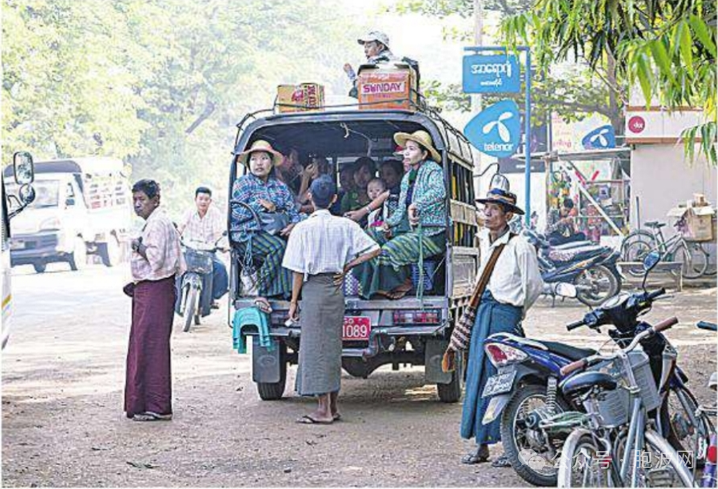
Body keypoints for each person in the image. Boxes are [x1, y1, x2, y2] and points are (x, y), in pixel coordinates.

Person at [453, 186, 543, 466]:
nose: (488, 213)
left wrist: (517, 313)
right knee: (480, 377)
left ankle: (510, 447)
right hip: (484, 315)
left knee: (505, 380)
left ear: (507, 216)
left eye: (495, 209)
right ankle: (482, 445)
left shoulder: (520, 245)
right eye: (486, 208)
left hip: (504, 316)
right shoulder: (486, 242)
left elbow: (533, 285)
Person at [282, 176, 380, 424]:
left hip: (313, 289)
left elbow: (297, 271)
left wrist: (294, 302)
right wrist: (348, 266)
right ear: (335, 199)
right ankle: (332, 407)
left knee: (316, 349)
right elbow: (374, 249)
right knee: (333, 348)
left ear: (311, 198)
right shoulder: (345, 226)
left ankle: (323, 410)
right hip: (336, 289)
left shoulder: (302, 228)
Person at [353, 130, 447, 300]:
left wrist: (416, 205)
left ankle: (402, 283)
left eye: (412, 149)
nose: (407, 152)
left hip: (430, 234)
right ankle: (373, 287)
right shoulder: (407, 177)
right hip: (410, 232)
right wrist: (387, 224)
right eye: (406, 149)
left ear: (424, 154)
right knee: (367, 240)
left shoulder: (433, 170)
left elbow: (439, 191)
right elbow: (401, 210)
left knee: (386, 251)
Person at [125, 179, 185, 422]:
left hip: (156, 289)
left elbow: (156, 258)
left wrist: (137, 247)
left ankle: (156, 406)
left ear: (155, 200)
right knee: (145, 344)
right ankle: (146, 404)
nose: (138, 205)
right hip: (149, 290)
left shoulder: (158, 223)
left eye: (142, 200)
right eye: (135, 200)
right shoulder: (155, 222)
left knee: (151, 347)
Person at [230, 140, 302, 299]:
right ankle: (258, 290)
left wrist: (294, 225)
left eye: (264, 158)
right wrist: (259, 205)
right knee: (277, 248)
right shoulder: (242, 184)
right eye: (254, 159)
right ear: (249, 163)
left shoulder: (280, 187)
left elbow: (293, 211)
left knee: (293, 248)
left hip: (276, 232)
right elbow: (235, 214)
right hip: (247, 235)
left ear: (271, 163)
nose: (259, 163)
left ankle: (285, 295)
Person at [177, 186, 228, 311]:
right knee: (174, 268)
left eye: (206, 199)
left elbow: (218, 233)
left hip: (208, 251)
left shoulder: (215, 214)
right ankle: (174, 296)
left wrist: (222, 245)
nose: (203, 202)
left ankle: (212, 297)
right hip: (189, 249)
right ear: (195, 199)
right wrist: (176, 238)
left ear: (210, 201)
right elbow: (181, 227)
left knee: (220, 269)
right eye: (201, 199)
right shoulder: (189, 212)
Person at [345, 159, 403, 225]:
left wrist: (361, 212)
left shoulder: (398, 192)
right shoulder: (350, 195)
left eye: (389, 174)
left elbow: (386, 195)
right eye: (381, 174)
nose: (384, 177)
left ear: (399, 176)